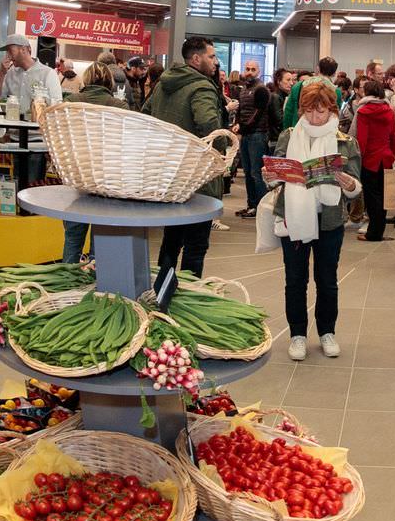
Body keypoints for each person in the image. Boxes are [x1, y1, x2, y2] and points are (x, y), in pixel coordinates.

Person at [269, 79, 361, 362]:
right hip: (293, 218)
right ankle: (297, 334)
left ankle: (326, 332)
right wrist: (271, 178)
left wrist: (348, 184)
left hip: (330, 220)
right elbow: (276, 174)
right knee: (294, 280)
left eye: (320, 111)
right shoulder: (288, 136)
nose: (313, 117)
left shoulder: (345, 142)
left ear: (332, 109)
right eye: (308, 111)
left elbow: (357, 187)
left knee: (327, 279)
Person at [148, 37, 231, 276]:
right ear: (196, 59)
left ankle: (163, 293)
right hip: (198, 177)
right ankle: (187, 297)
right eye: (211, 56)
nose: (216, 62)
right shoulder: (202, 87)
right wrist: (224, 148)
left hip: (170, 175)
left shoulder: (163, 85)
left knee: (171, 241)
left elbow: (146, 116)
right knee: (196, 246)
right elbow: (210, 126)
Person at [61, 61, 127, 260]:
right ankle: (95, 281)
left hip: (78, 174)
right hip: (108, 177)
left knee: (73, 233)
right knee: (102, 234)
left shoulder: (72, 101)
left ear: (87, 79)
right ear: (109, 81)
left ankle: (67, 279)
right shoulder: (119, 106)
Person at [352, 79, 395, 241]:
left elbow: (361, 140)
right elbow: (394, 135)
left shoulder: (363, 111)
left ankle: (373, 233)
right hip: (386, 157)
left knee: (372, 198)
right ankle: (378, 230)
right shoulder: (389, 110)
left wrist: (359, 159)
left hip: (370, 160)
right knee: (383, 197)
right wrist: (391, 153)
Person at [0, 34, 64, 120]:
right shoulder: (10, 73)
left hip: (37, 131)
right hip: (14, 130)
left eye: (10, 51)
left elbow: (57, 107)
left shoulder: (48, 73)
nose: (8, 56)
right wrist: (2, 73)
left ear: (23, 49)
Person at [232, 71, 272, 219]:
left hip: (257, 135)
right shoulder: (243, 90)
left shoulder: (261, 89)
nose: (249, 71)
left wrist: (244, 127)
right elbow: (240, 111)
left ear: (259, 72)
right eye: (247, 68)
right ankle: (252, 205)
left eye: (253, 69)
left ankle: (261, 207)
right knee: (248, 172)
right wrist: (238, 124)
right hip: (246, 135)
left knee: (257, 173)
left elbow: (259, 113)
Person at [283, 56, 343, 132]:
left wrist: (287, 132)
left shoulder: (298, 86)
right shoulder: (335, 92)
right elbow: (335, 117)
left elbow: (288, 113)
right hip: (324, 132)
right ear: (334, 73)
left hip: (299, 131)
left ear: (318, 69)